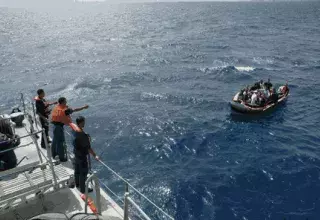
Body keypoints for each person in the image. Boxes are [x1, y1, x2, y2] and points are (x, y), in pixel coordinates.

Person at [51, 97, 89, 162]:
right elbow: (74, 110)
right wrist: (83, 107)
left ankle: (54, 154)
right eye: (65, 102)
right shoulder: (64, 111)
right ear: (62, 102)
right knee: (60, 143)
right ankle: (62, 158)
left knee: (55, 141)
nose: (66, 103)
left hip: (55, 126)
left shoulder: (57, 107)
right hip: (58, 128)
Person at [71, 116, 99, 194]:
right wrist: (95, 156)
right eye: (83, 122)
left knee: (77, 170)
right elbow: (88, 148)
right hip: (82, 156)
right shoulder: (82, 135)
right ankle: (83, 189)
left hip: (76, 154)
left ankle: (77, 184)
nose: (84, 123)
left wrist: (86, 136)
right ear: (80, 123)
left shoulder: (75, 130)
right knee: (83, 172)